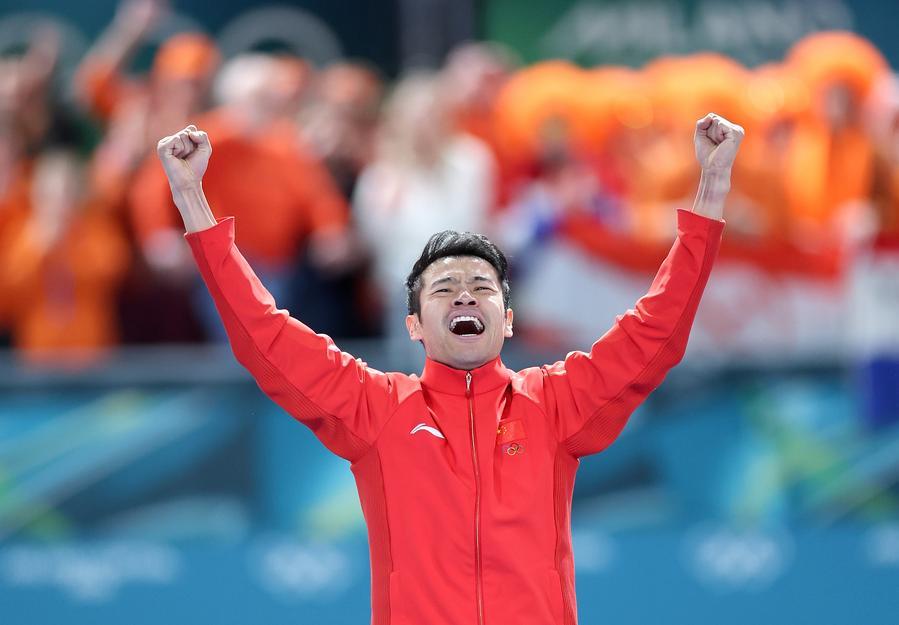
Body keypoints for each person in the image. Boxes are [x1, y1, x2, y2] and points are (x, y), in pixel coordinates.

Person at [156, 112, 743, 625]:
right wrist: (191, 201)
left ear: (507, 320)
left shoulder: (554, 403)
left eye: (481, 286)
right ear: (413, 325)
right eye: (443, 288)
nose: (464, 294)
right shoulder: (376, 409)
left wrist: (712, 189)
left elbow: (655, 332)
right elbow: (265, 337)